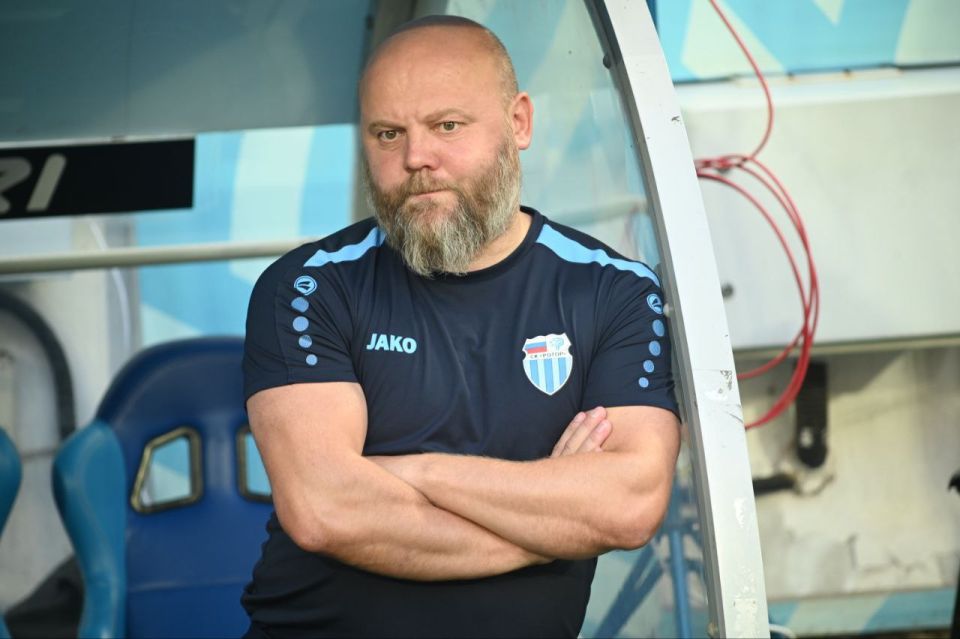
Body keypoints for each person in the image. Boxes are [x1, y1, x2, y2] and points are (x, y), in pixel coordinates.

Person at [241, 15, 680, 638]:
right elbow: (324, 510)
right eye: (388, 134)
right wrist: (553, 528)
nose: (416, 158)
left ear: (518, 122)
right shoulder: (310, 287)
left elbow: (629, 505)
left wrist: (418, 472)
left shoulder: (614, 292)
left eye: (447, 125)